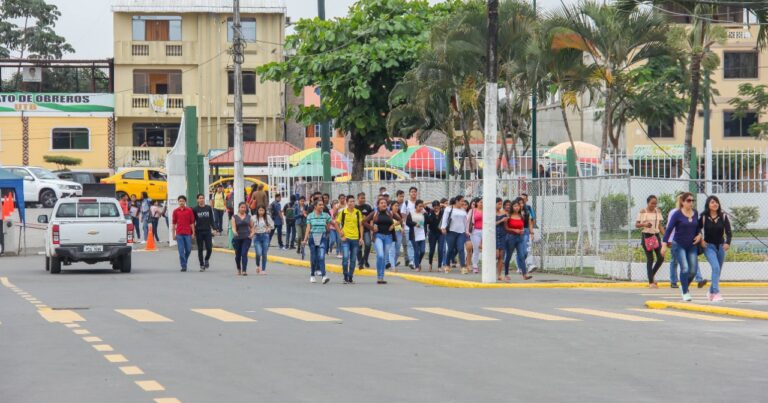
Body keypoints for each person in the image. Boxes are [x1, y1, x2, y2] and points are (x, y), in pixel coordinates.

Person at [663, 192, 702, 301]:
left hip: (692, 245)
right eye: (688, 201)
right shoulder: (677, 214)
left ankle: (683, 286)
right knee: (684, 268)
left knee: (693, 270)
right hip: (678, 245)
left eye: (692, 200)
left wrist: (699, 235)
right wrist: (664, 244)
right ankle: (685, 292)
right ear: (683, 202)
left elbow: (697, 227)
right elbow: (669, 229)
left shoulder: (695, 213)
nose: (691, 203)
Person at [700, 195, 732, 302]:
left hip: (721, 247)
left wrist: (728, 242)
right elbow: (696, 230)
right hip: (708, 247)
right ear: (708, 205)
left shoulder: (723, 216)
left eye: (716, 202)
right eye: (712, 202)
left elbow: (729, 232)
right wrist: (701, 240)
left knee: (718, 271)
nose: (715, 204)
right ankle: (716, 293)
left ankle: (711, 291)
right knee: (716, 267)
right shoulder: (704, 216)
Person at [635, 195, 665, 288]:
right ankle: (651, 282)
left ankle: (651, 275)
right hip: (646, 236)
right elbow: (637, 225)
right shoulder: (642, 211)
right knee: (650, 259)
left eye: (655, 203)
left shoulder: (657, 212)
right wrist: (644, 224)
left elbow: (660, 226)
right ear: (648, 203)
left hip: (656, 236)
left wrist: (666, 237)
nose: (654, 205)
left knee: (661, 257)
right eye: (652, 203)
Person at [303, 199, 333, 284]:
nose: (322, 206)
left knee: (321, 257)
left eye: (322, 205)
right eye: (320, 205)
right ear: (315, 206)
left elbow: (332, 223)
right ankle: (312, 275)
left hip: (322, 237)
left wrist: (340, 232)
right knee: (314, 258)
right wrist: (305, 240)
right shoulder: (310, 216)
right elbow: (308, 228)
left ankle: (324, 276)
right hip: (313, 238)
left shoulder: (326, 215)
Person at [366, 197, 394, 284]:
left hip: (388, 237)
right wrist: (372, 228)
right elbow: (363, 221)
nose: (384, 204)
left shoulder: (390, 213)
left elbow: (400, 219)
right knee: (380, 255)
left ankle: (381, 277)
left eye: (385, 203)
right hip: (378, 236)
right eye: (381, 203)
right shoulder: (375, 213)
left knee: (384, 257)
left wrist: (394, 225)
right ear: (378, 205)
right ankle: (379, 276)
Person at [337, 195, 364, 284]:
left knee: (353, 259)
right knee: (345, 258)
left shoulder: (358, 212)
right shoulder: (343, 212)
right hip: (346, 239)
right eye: (350, 201)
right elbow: (336, 223)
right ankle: (345, 276)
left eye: (353, 201)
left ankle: (350, 277)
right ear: (347, 202)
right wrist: (340, 233)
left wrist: (361, 238)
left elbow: (360, 225)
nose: (352, 203)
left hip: (355, 239)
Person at [505, 198, 534, 280]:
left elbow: (522, 225)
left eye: (518, 206)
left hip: (520, 238)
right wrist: (514, 230)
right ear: (512, 207)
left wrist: (521, 230)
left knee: (521, 255)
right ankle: (506, 273)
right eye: (514, 206)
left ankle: (524, 274)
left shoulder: (521, 215)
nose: (516, 207)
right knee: (508, 256)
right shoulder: (509, 216)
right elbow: (506, 228)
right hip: (511, 238)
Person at [440, 196, 468, 274]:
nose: (463, 203)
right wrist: (443, 228)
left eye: (464, 201)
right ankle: (447, 265)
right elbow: (445, 219)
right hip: (451, 232)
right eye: (462, 201)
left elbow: (465, 221)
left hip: (461, 232)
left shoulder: (463, 210)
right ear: (456, 201)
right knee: (450, 249)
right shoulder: (449, 208)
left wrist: (466, 231)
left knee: (461, 249)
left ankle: (463, 266)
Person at [172, 195, 196, 272]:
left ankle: (184, 260)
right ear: (178, 202)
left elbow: (192, 223)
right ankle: (183, 266)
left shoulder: (189, 210)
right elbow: (173, 224)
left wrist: (193, 233)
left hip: (188, 233)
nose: (181, 202)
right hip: (179, 234)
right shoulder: (175, 211)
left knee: (188, 249)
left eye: (183, 201)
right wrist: (173, 234)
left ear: (185, 202)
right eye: (180, 201)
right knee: (181, 250)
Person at [192, 194, 215, 271]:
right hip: (199, 231)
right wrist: (193, 232)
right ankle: (201, 265)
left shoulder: (208, 208)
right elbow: (193, 221)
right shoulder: (195, 209)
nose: (201, 199)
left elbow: (211, 219)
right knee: (200, 249)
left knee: (209, 248)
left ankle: (206, 259)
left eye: (202, 198)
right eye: (200, 198)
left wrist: (214, 228)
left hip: (207, 231)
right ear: (197, 200)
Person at [231, 202, 254, 276]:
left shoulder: (248, 217)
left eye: (245, 207)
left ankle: (244, 270)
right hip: (237, 238)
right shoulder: (234, 217)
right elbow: (233, 227)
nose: (243, 209)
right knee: (238, 255)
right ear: (238, 208)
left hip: (246, 238)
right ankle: (238, 268)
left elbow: (252, 227)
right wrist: (234, 232)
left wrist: (252, 234)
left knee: (244, 253)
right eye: (242, 207)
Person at [406, 199, 427, 272]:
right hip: (414, 235)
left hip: (422, 235)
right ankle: (417, 266)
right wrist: (415, 224)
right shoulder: (411, 213)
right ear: (416, 206)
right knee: (416, 251)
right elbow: (408, 222)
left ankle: (418, 262)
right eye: (419, 206)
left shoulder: (424, 213)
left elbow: (427, 222)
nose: (421, 208)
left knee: (422, 251)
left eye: (422, 206)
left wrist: (426, 211)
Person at [400, 187, 418, 269]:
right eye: (412, 192)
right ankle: (411, 261)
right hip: (408, 227)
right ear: (409, 193)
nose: (413, 193)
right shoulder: (406, 203)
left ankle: (416, 260)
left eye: (415, 192)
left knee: (416, 245)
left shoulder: (418, 203)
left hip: (418, 227)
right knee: (410, 244)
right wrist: (403, 226)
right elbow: (403, 215)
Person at [253, 205, 274, 275]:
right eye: (260, 210)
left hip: (265, 236)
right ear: (257, 211)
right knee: (258, 253)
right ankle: (257, 265)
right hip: (257, 236)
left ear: (264, 211)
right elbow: (250, 226)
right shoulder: (254, 218)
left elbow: (272, 225)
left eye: (262, 210)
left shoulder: (267, 217)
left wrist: (268, 228)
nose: (261, 212)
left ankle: (263, 269)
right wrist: (253, 229)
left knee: (264, 253)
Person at [425, 200, 445, 272]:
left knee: (440, 249)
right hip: (432, 233)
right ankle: (430, 264)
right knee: (432, 250)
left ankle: (439, 266)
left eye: (438, 206)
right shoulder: (430, 212)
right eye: (435, 207)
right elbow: (423, 204)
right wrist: (430, 202)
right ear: (433, 207)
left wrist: (442, 204)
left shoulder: (443, 212)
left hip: (441, 233)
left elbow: (449, 207)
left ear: (440, 206)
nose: (436, 208)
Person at [356, 192, 373, 269]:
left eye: (364, 198)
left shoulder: (368, 207)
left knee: (368, 244)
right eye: (361, 198)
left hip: (366, 229)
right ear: (358, 198)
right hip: (356, 230)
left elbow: (372, 218)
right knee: (358, 247)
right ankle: (360, 262)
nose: (363, 199)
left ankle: (365, 259)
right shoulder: (355, 208)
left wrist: (371, 228)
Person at [520, 193, 537, 272]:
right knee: (520, 249)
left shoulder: (529, 209)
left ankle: (530, 264)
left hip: (526, 230)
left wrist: (531, 232)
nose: (522, 200)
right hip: (518, 231)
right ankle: (520, 265)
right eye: (521, 199)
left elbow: (532, 220)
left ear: (527, 200)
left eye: (524, 199)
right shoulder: (515, 209)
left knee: (528, 248)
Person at [468, 198, 483, 274]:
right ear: (477, 203)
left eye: (483, 202)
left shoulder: (487, 210)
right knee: (476, 248)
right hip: (475, 231)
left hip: (485, 231)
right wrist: (467, 231)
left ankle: (487, 264)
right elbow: (468, 221)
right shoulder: (473, 211)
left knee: (486, 248)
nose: (482, 204)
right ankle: (475, 265)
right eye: (480, 202)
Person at [388, 200, 404, 270]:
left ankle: (393, 263)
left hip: (398, 233)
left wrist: (401, 228)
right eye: (395, 206)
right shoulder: (389, 214)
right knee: (392, 250)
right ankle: (393, 266)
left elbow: (401, 222)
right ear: (391, 206)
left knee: (397, 250)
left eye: (397, 206)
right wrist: (394, 225)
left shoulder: (398, 214)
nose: (397, 207)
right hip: (391, 233)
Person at [495, 198, 509, 282]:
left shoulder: (504, 213)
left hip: (503, 235)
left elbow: (506, 225)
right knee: (495, 255)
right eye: (498, 204)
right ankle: (490, 272)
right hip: (494, 235)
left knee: (501, 256)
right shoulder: (490, 213)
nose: (500, 206)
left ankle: (499, 274)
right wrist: (500, 220)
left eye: (501, 204)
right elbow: (490, 224)